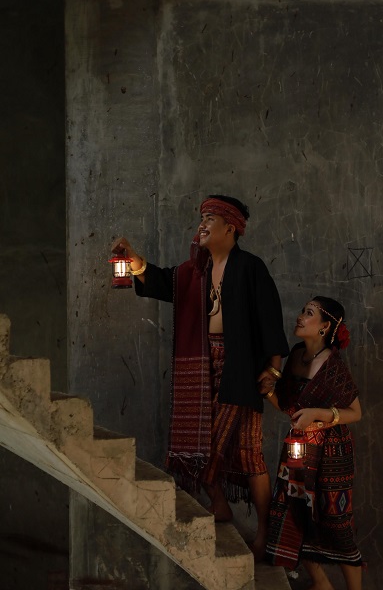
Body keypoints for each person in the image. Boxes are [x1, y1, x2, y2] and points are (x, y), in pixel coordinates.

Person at [111, 195, 289, 560]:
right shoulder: (196, 270)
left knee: (217, 449)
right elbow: (164, 281)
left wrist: (273, 370)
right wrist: (134, 261)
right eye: (201, 218)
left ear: (231, 227)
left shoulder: (250, 267)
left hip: (241, 368)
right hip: (205, 361)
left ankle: (261, 531)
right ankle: (225, 507)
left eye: (210, 218)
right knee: (241, 452)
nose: (202, 224)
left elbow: (271, 320)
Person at [265, 296, 369, 590]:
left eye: (308, 313)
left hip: (331, 453)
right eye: (302, 310)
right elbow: (289, 407)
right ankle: (322, 583)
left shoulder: (332, 365)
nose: (300, 316)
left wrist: (320, 415)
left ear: (325, 327)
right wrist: (268, 392)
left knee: (335, 524)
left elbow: (355, 412)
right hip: (298, 449)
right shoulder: (296, 355)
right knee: (296, 514)